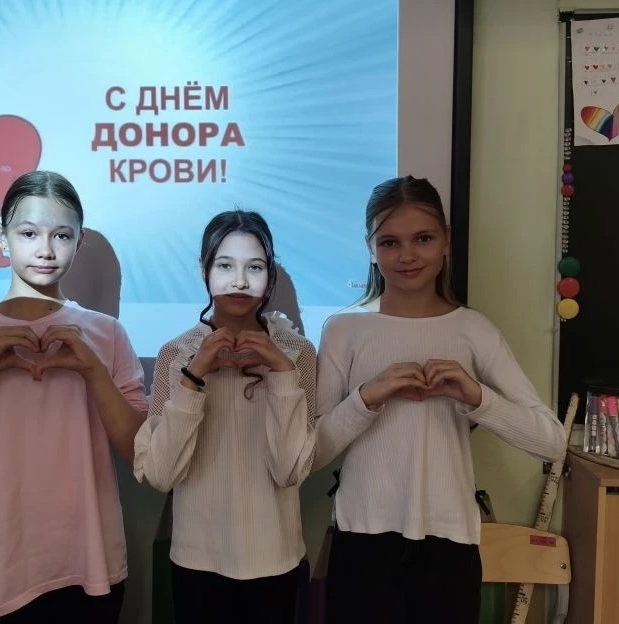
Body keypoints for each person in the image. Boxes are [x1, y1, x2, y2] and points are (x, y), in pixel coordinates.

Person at [313, 176, 566, 624]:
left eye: (423, 238)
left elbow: (551, 442)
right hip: (361, 542)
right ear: (370, 248)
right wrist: (366, 398)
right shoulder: (344, 329)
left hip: (450, 545)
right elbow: (313, 452)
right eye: (389, 242)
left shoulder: (473, 330)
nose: (407, 255)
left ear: (446, 241)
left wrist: (477, 397)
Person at [0, 170, 147, 623]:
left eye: (62, 235)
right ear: (2, 238)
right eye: (28, 233)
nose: (46, 249)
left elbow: (142, 452)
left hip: (89, 568)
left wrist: (93, 371)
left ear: (78, 242)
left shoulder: (108, 334)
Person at [133, 210, 316, 624]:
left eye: (254, 267)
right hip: (196, 561)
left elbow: (288, 470)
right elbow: (161, 474)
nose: (240, 281)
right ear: (205, 270)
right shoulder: (175, 353)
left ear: (270, 275)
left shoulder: (297, 353)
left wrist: (281, 371)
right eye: (225, 266)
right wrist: (194, 376)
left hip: (276, 560)